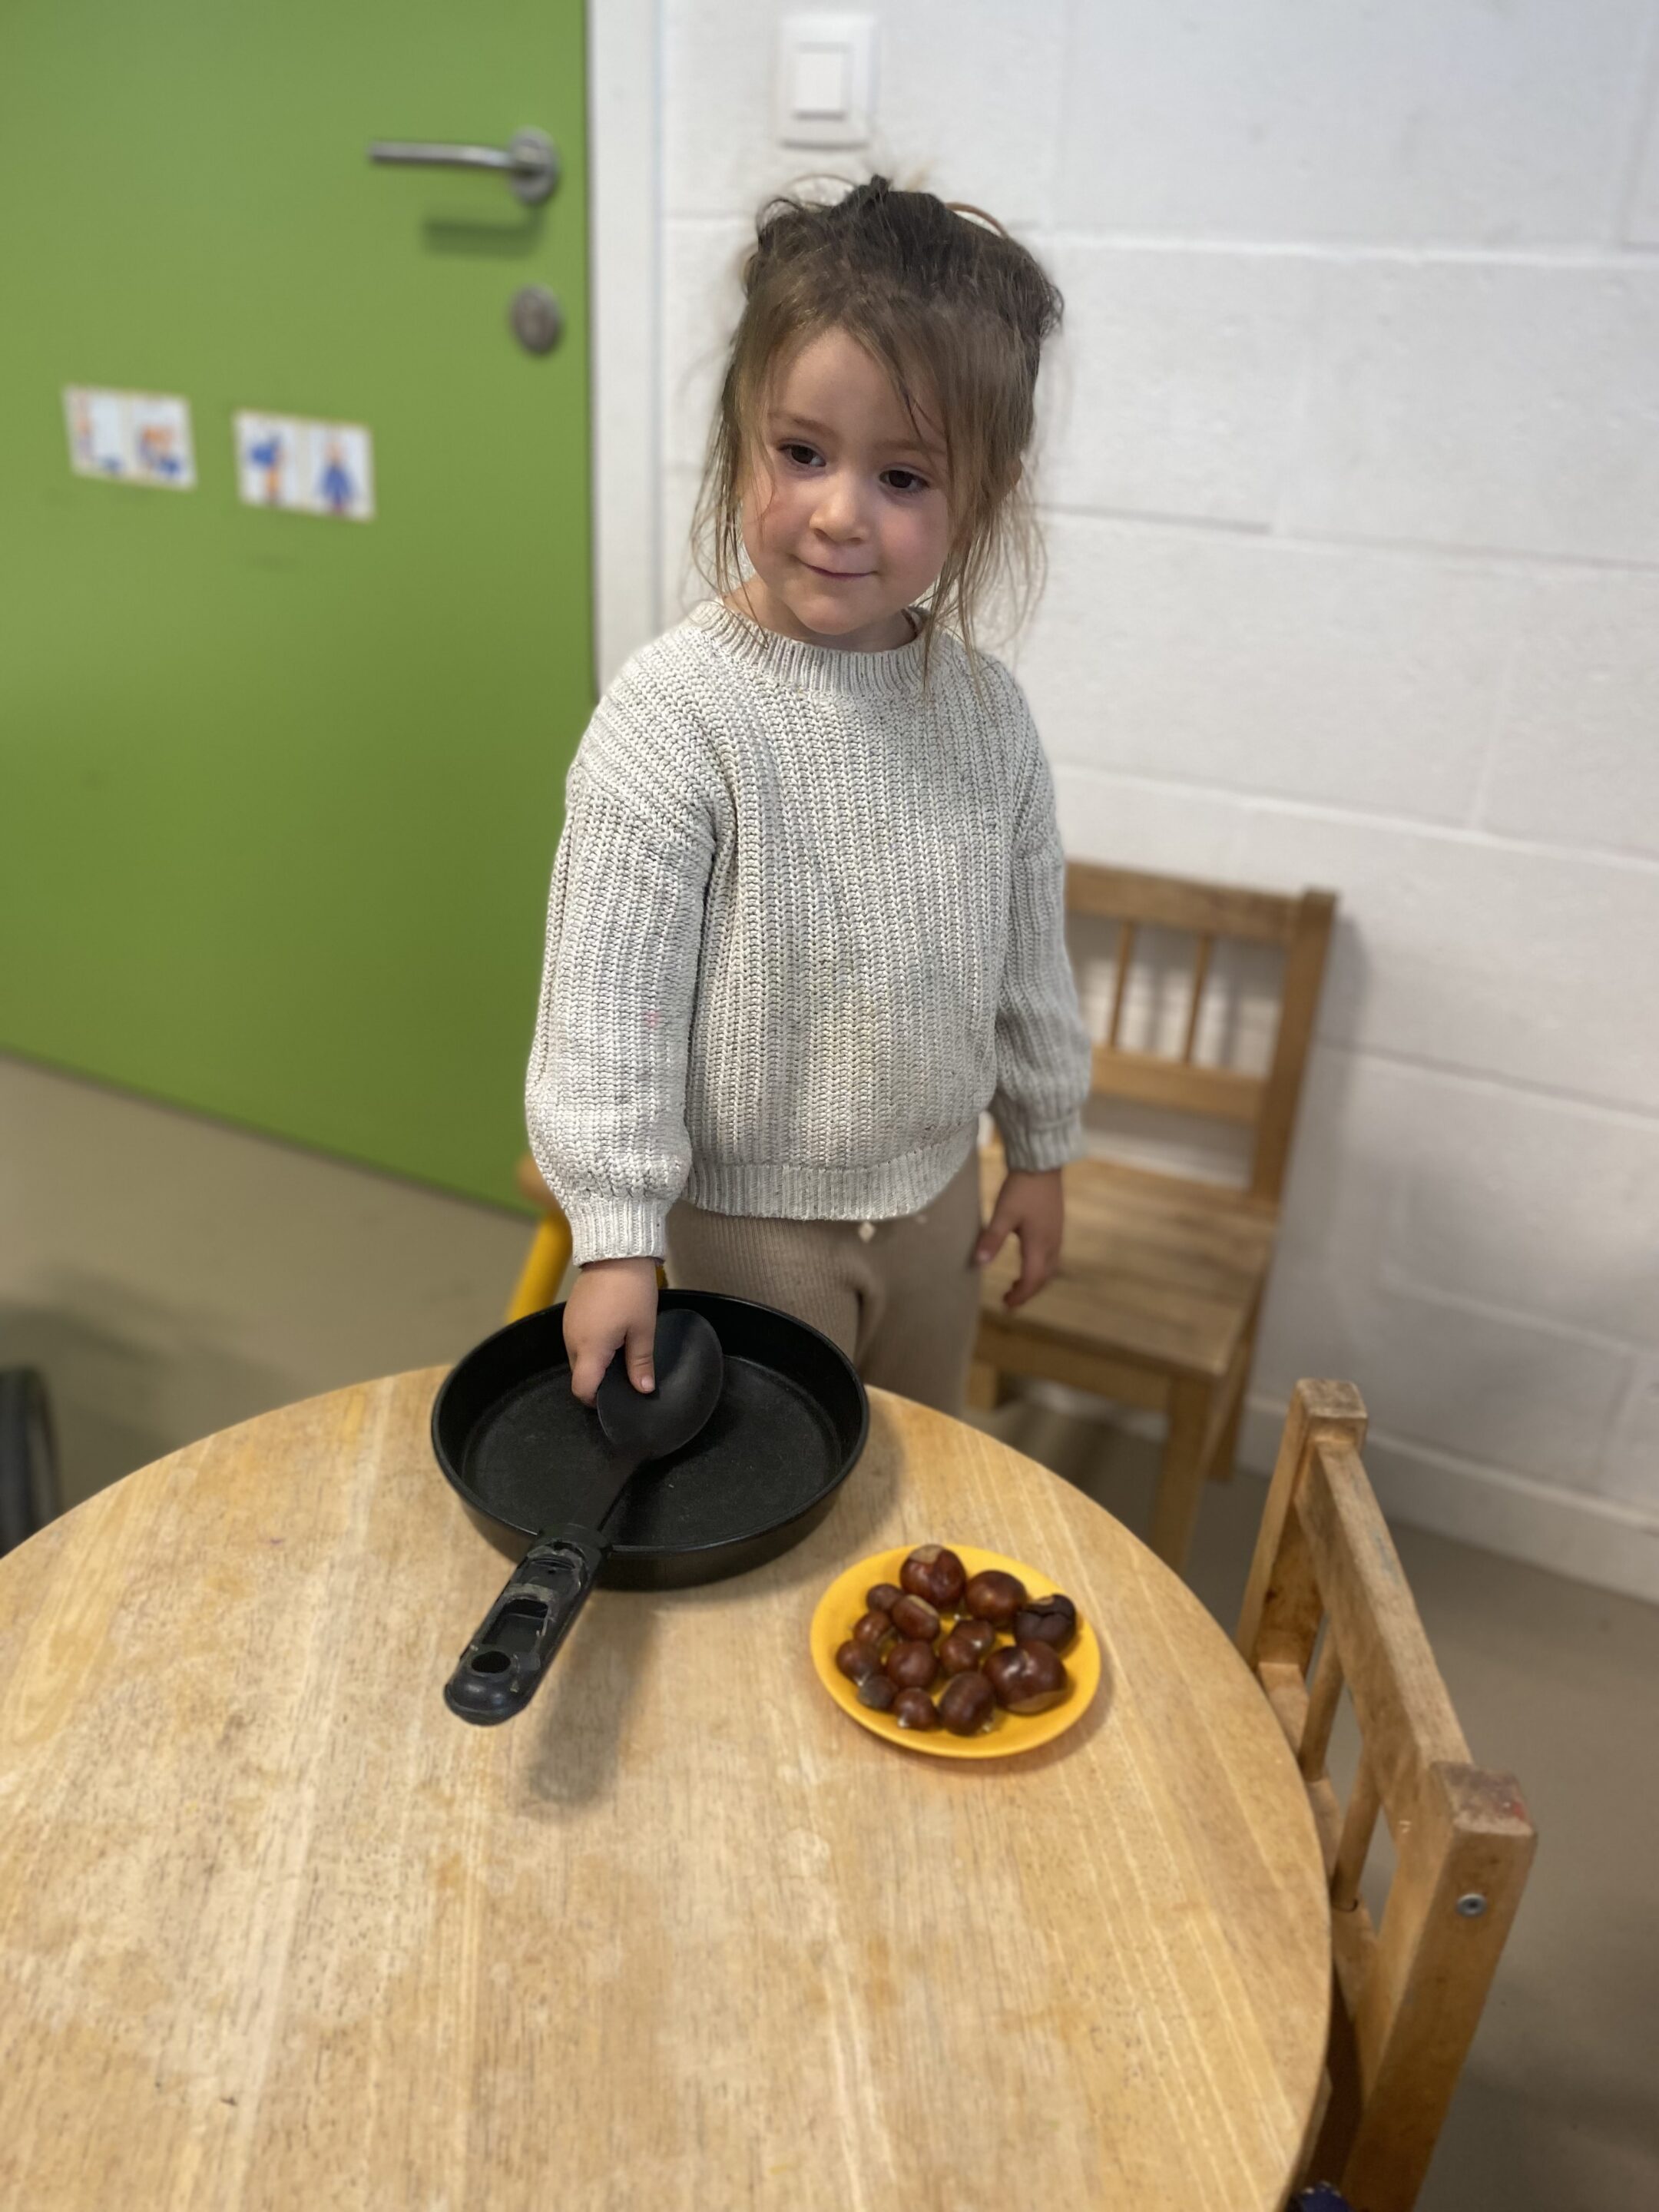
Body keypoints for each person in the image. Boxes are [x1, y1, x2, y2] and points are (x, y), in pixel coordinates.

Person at [527, 175, 1091, 1415]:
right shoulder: (674, 716)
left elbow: (1029, 960)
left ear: (982, 498)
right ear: (742, 440)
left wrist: (1042, 1149)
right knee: (777, 1483)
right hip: (746, 1229)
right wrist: (615, 1233)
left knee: (917, 1466)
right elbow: (608, 1002)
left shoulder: (989, 718)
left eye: (905, 477)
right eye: (802, 454)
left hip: (939, 1209)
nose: (841, 514)